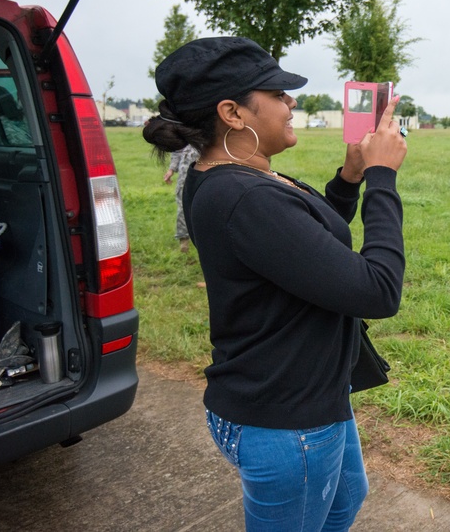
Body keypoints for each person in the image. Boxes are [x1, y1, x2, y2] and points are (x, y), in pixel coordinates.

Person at [142, 36, 407, 532]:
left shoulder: (236, 175)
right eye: (278, 94)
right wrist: (382, 180)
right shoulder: (243, 197)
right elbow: (377, 290)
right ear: (233, 112)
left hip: (310, 395)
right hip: (287, 420)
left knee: (347, 498)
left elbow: (305, 245)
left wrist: (350, 179)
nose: (292, 103)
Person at [163, 144, 199, 252]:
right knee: (183, 207)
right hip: (185, 174)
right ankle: (184, 241)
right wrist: (171, 169)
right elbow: (177, 149)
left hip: (206, 171)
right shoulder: (183, 129)